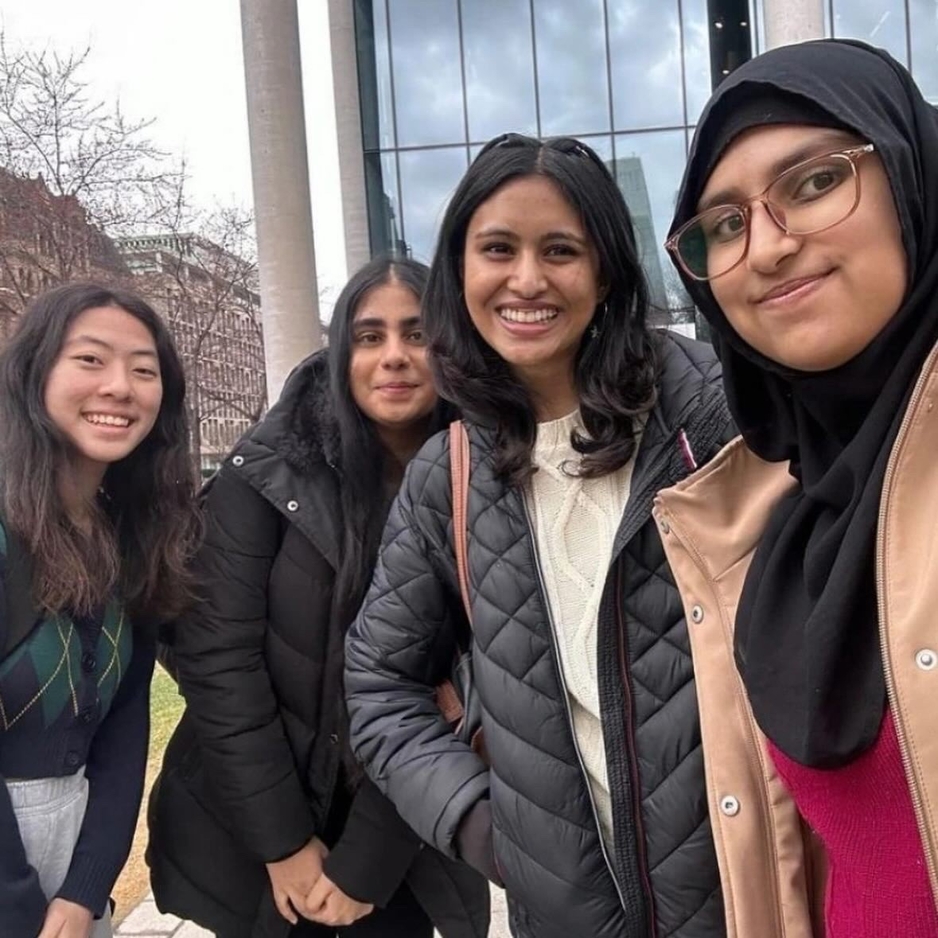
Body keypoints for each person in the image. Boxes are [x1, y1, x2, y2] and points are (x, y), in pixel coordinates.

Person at [345, 134, 734, 938]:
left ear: (605, 272)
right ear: (460, 271)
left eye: (560, 249)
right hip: (565, 915)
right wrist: (484, 826)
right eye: (497, 249)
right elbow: (378, 686)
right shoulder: (447, 474)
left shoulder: (714, 414)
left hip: (749, 895)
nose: (526, 279)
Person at [657, 38, 938, 938]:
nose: (769, 248)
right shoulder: (772, 520)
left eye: (815, 182)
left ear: (911, 179)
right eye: (726, 224)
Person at [147, 255, 490, 938]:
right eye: (369, 336)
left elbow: (471, 688)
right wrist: (285, 848)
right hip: (255, 828)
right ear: (340, 351)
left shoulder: (485, 478)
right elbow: (220, 665)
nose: (394, 356)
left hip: (406, 840)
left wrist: (366, 864)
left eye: (418, 334)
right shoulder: (268, 471)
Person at [0, 283, 199, 938]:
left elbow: (124, 724)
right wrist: (22, 909)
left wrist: (86, 892)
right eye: (90, 360)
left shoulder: (132, 536)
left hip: (77, 892)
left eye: (145, 370)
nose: (121, 387)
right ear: (35, 373)